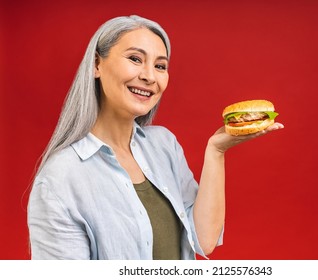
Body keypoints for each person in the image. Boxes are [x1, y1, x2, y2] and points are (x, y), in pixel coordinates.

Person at [27, 15, 284, 260]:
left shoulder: (164, 145)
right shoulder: (59, 179)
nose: (150, 76)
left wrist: (216, 151)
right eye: (135, 59)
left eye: (160, 66)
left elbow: (204, 240)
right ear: (97, 64)